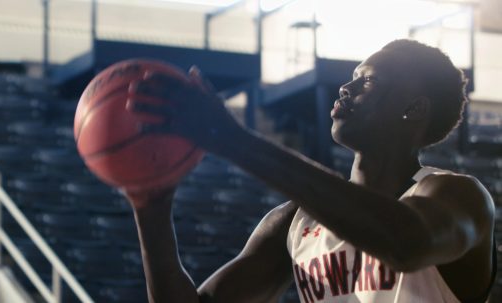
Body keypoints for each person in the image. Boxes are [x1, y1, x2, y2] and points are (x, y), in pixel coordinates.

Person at [124, 39, 496, 302]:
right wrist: (149, 205)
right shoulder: (293, 223)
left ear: (414, 109)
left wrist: (230, 138)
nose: (346, 88)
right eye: (351, 76)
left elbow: (406, 243)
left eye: (368, 80)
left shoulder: (458, 197)